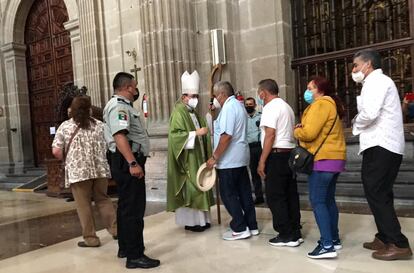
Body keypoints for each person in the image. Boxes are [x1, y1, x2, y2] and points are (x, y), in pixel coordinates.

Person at [352, 48, 412, 260]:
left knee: (376, 192)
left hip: (381, 145)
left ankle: (398, 243)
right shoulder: (378, 82)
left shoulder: (376, 82)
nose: (354, 70)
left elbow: (369, 113)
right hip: (383, 145)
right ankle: (385, 237)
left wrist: (354, 123)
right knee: (381, 192)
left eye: (356, 65)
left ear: (368, 64)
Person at [104, 72, 160, 269]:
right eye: (134, 86)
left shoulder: (121, 105)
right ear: (128, 87)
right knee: (134, 208)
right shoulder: (119, 106)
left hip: (124, 160)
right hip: (127, 161)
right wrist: (133, 163)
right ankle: (135, 255)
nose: (136, 90)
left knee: (126, 206)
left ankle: (125, 247)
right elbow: (120, 135)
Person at [52, 95, 117, 248]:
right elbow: (111, 145)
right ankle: (115, 230)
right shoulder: (100, 125)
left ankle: (91, 238)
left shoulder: (65, 127)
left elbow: (56, 151)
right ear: (90, 109)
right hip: (99, 169)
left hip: (78, 172)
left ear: (72, 110)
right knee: (103, 199)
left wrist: (68, 158)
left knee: (84, 205)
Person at [294, 76, 346, 259]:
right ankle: (334, 238)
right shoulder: (331, 104)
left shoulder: (321, 104)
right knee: (328, 200)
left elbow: (309, 133)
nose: (307, 92)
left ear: (320, 90)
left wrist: (297, 130)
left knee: (318, 201)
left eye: (310, 88)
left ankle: (326, 245)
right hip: (335, 159)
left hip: (322, 160)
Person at [206, 81, 258, 240]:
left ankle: (240, 227)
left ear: (222, 94)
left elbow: (226, 136)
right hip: (240, 158)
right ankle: (251, 225)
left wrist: (214, 157)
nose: (215, 99)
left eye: (215, 96)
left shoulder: (228, 107)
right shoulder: (238, 105)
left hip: (229, 160)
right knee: (244, 193)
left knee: (228, 194)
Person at [167, 70, 215, 232]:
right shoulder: (178, 112)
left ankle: (203, 220)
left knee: (201, 185)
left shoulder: (193, 112)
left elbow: (204, 127)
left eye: (197, 97)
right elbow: (175, 136)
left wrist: (209, 118)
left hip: (198, 156)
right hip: (187, 160)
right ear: (183, 97)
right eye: (192, 96)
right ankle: (192, 222)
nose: (195, 100)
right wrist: (196, 134)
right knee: (193, 188)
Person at [256, 79, 302, 247]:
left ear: (263, 93)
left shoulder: (270, 107)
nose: (259, 95)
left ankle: (285, 234)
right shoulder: (286, 106)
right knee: (290, 194)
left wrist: (262, 160)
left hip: (276, 156)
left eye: (259, 92)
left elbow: (270, 135)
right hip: (289, 155)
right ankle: (295, 231)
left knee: (275, 196)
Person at [245, 97, 264, 204]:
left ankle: (270, 194)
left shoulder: (261, 116)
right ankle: (259, 195)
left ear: (255, 105)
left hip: (259, 147)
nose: (249, 106)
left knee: (264, 170)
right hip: (249, 148)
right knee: (254, 173)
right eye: (247, 105)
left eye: (250, 104)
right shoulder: (244, 118)